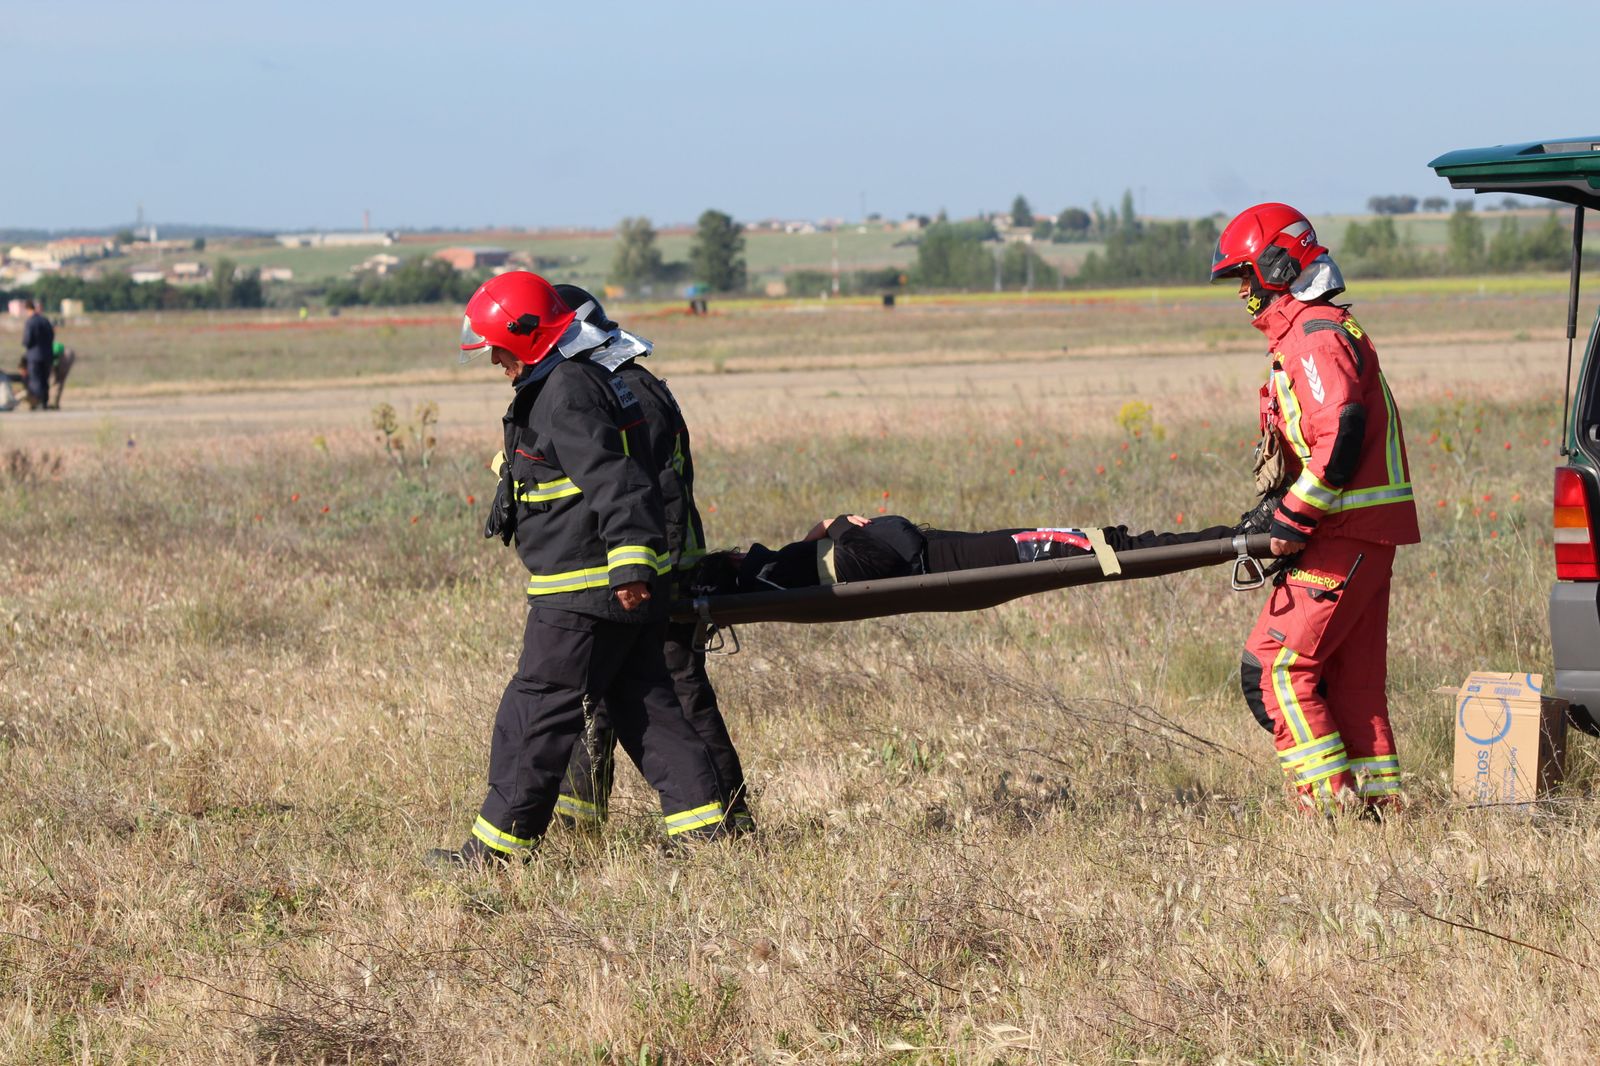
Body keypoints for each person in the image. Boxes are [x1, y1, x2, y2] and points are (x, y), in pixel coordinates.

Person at [428, 272, 734, 867]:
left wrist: (629, 569)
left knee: (536, 708)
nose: (494, 359)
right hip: (612, 590)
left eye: (499, 347)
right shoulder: (580, 382)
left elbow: (621, 484)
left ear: (530, 335)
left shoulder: (565, 391)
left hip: (583, 591)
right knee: (647, 706)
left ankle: (495, 852)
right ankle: (708, 834)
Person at [1209, 203, 1419, 814]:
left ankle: (1329, 811)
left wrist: (1293, 519)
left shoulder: (1310, 335)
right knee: (1351, 684)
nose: (1244, 292)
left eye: (1247, 276)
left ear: (1277, 265)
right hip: (1364, 534)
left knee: (1276, 667)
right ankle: (1381, 814)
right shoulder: (1324, 328)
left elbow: (1342, 430)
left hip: (1345, 532)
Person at [545, 285, 755, 835]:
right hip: (635, 574)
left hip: (657, 575)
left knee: (676, 696)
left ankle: (727, 826)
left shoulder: (625, 390)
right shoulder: (611, 385)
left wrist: (643, 572)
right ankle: (577, 829)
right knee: (596, 698)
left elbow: (654, 491)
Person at [694, 508, 1271, 594]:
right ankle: (1238, 536)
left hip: (958, 554)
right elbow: (896, 540)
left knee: (1103, 542)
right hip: (955, 560)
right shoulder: (792, 572)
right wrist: (842, 523)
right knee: (1098, 545)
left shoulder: (790, 565)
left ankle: (1236, 534)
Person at [20, 299, 54, 411]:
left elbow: (27, 340)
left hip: (34, 356)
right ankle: (45, 402)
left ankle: (37, 401)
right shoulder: (45, 320)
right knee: (45, 379)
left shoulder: (30, 322)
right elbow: (52, 336)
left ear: (27, 309)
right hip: (47, 354)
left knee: (35, 379)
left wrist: (25, 343)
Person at [49, 339, 75, 410]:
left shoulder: (66, 355)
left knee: (57, 381)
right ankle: (53, 403)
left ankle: (54, 403)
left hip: (64, 360)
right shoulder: (50, 351)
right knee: (56, 382)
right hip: (60, 359)